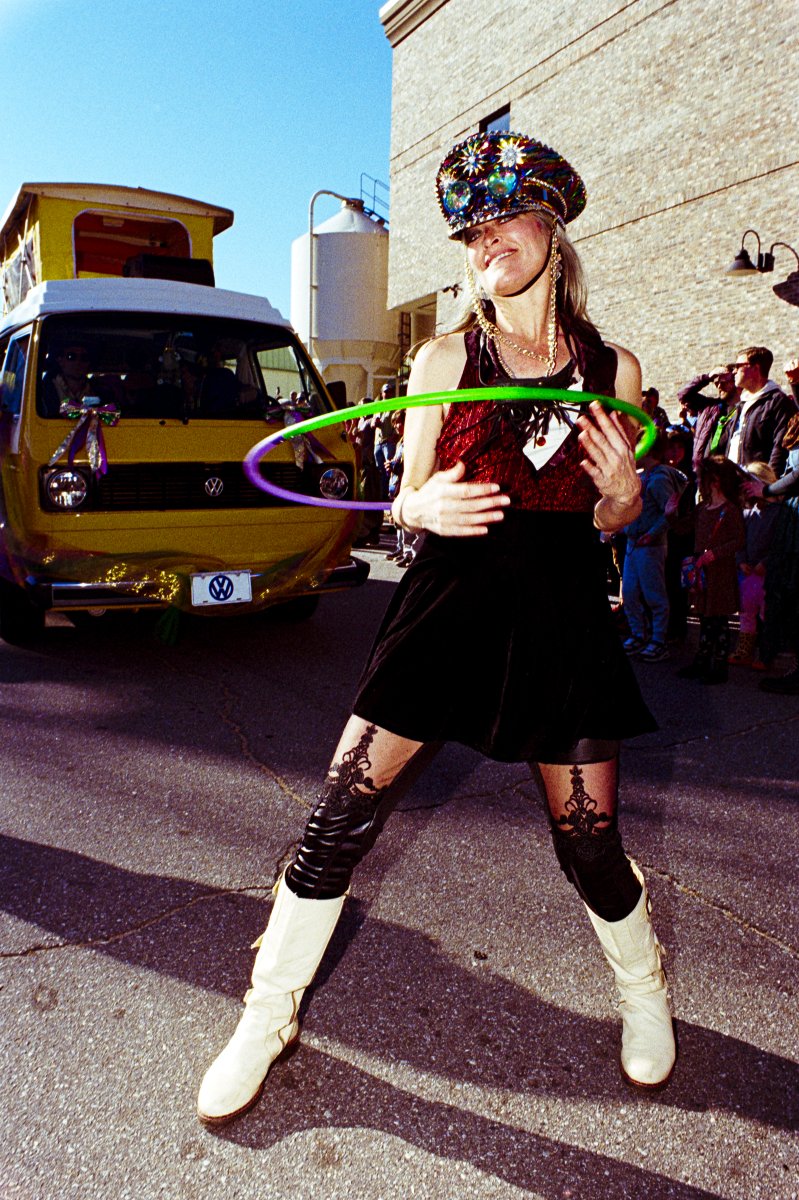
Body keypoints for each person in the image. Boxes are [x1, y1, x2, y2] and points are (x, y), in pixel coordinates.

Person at [196, 130, 676, 1126]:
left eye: (503, 217)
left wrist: (626, 501)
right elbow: (403, 497)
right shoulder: (445, 355)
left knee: (588, 841)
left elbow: (610, 516)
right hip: (448, 608)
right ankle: (267, 1012)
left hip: (560, 621)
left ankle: (643, 988)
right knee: (337, 815)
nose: (483, 241)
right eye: (468, 230)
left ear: (552, 227)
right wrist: (421, 512)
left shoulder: (612, 369)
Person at [677, 456, 746, 685]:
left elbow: (738, 540)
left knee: (719, 620)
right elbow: (682, 528)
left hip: (721, 573)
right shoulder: (702, 508)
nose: (699, 482)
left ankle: (719, 664)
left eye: (702, 478)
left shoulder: (730, 510)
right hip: (704, 574)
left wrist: (715, 553)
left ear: (715, 481)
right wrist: (671, 512)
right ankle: (702, 660)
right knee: (705, 618)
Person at [621, 433, 686, 661]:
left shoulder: (659, 479)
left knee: (653, 594)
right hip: (633, 544)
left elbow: (670, 512)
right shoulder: (642, 475)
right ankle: (638, 633)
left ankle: (659, 639)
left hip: (650, 546)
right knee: (629, 592)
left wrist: (651, 534)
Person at [716, 347, 798, 476]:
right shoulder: (741, 405)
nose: (734, 372)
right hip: (734, 482)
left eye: (738, 366)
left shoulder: (777, 401)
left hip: (758, 485)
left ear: (755, 368)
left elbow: (780, 447)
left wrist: (768, 485)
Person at [729, 461, 778, 669]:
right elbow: (740, 542)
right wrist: (741, 563)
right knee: (746, 613)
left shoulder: (779, 512)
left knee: (768, 615)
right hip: (749, 575)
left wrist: (766, 563)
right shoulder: (748, 513)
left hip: (769, 575)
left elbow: (780, 544)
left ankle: (767, 654)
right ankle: (745, 649)